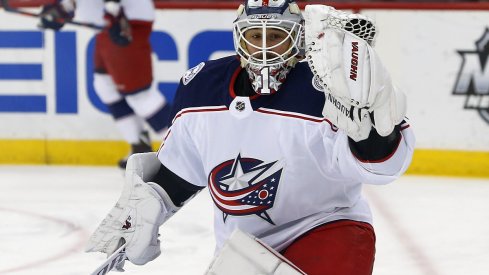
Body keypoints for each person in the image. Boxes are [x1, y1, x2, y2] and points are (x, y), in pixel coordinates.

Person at [85, 1, 415, 274]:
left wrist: (369, 134)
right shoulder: (202, 88)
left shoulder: (326, 90)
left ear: (297, 41)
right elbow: (182, 169)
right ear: (239, 39)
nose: (265, 48)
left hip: (326, 229)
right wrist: (149, 206)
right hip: (244, 248)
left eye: (277, 37)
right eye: (255, 36)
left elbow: (383, 168)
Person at [38, 0, 171, 168]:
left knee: (140, 95)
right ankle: (139, 146)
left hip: (125, 22)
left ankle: (186, 148)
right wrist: (63, 8)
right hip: (107, 24)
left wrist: (114, 10)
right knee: (105, 85)